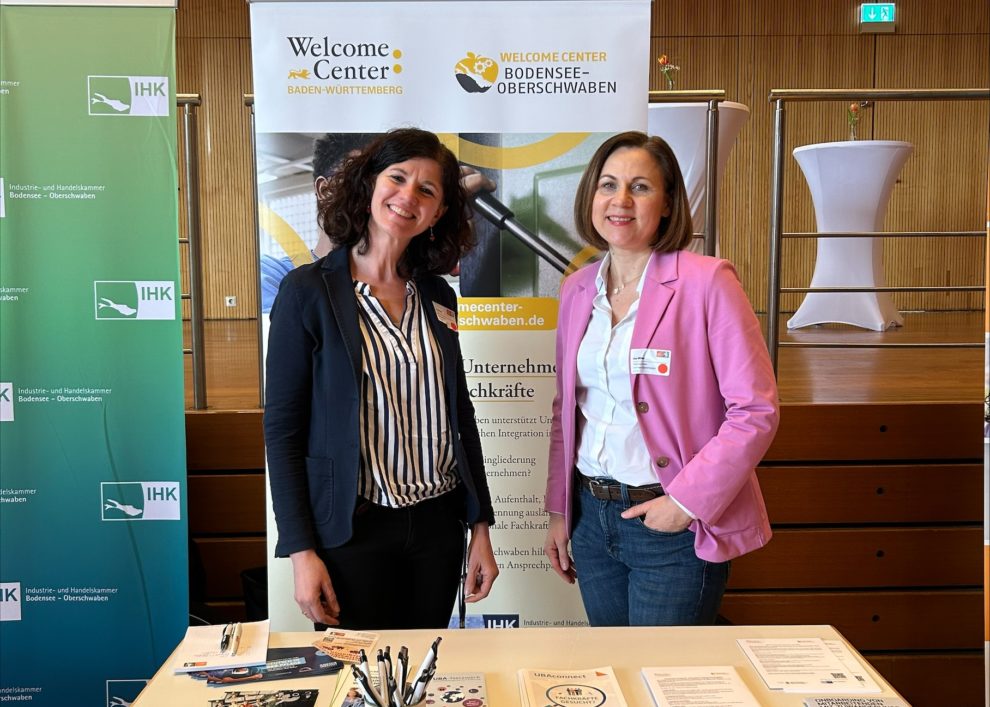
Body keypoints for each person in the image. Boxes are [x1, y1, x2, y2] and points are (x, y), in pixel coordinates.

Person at [265, 128, 499, 630]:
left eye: (427, 190)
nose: (408, 195)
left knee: (423, 669)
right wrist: (301, 552)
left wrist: (480, 524)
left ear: (438, 212)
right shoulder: (307, 292)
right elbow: (282, 432)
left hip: (437, 529)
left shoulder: (437, 295)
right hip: (353, 531)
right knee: (358, 673)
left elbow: (460, 413)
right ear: (370, 183)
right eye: (397, 178)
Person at [542, 131, 779, 626]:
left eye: (640, 187)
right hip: (591, 519)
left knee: (660, 671)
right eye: (608, 185)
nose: (620, 201)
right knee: (615, 667)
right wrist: (560, 510)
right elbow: (567, 409)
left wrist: (685, 503)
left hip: (669, 524)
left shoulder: (707, 282)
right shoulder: (578, 289)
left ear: (668, 203)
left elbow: (755, 410)